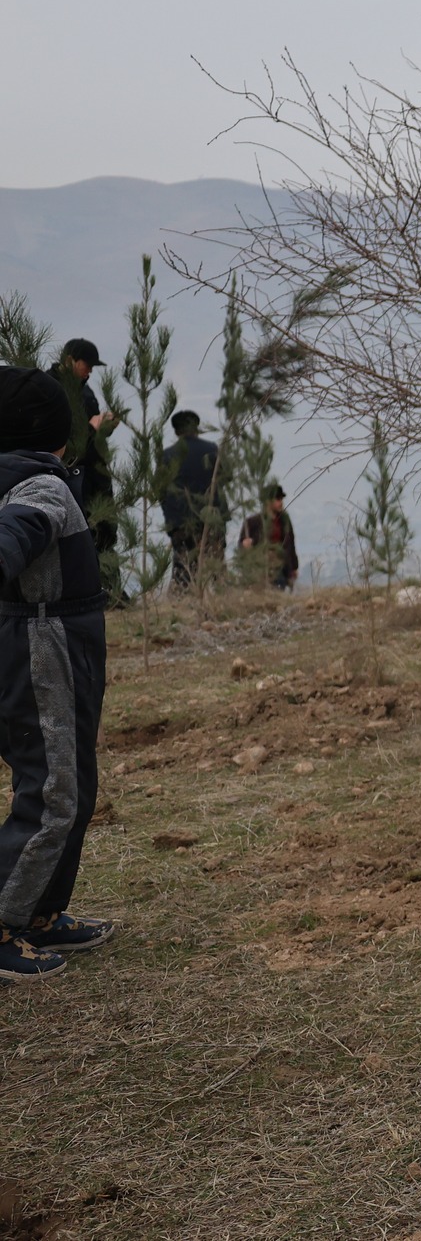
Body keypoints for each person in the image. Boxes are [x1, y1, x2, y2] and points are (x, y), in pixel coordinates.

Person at [0, 367, 114, 982]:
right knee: (51, 793)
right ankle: (3, 917)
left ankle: (41, 911)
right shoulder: (37, 488)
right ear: (56, 435)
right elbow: (16, 534)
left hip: (64, 648)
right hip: (42, 648)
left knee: (74, 786)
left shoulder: (33, 479)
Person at [47, 338, 118, 558]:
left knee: (105, 542)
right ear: (70, 360)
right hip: (73, 484)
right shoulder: (49, 388)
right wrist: (90, 428)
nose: (90, 372)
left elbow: (91, 441)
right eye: (86, 365)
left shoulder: (86, 393)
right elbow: (58, 445)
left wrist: (104, 428)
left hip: (97, 480)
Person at [161, 410, 221, 587]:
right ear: (196, 428)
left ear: (177, 431)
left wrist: (172, 523)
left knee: (183, 567)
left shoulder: (166, 456)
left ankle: (182, 603)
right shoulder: (211, 449)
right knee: (214, 566)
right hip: (209, 517)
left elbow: (160, 492)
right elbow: (225, 478)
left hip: (180, 522)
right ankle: (218, 599)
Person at [238, 484, 300, 590]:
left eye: (281, 499)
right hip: (261, 570)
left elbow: (291, 545)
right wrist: (246, 545)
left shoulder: (285, 521)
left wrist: (293, 567)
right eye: (277, 499)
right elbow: (242, 546)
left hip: (281, 569)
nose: (281, 502)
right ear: (268, 501)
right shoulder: (252, 523)